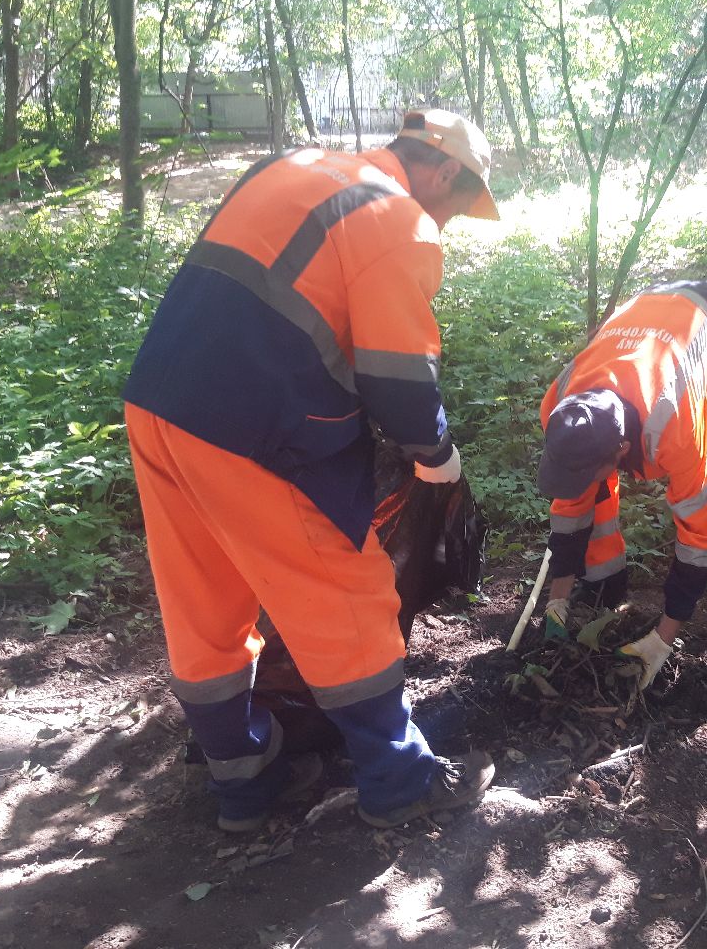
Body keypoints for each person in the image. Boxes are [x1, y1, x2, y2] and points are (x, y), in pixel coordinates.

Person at [123, 109, 498, 832]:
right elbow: (397, 377)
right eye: (456, 205)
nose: (448, 223)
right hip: (257, 426)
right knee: (345, 593)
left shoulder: (291, 167)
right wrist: (436, 456)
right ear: (443, 170)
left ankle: (243, 784)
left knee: (203, 598)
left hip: (160, 404)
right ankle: (399, 779)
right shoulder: (397, 218)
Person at [536, 280, 707, 690]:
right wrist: (557, 598)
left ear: (624, 449)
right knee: (590, 485)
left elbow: (700, 534)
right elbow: (571, 500)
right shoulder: (561, 405)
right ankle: (602, 587)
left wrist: (661, 639)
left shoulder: (675, 424)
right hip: (660, 314)